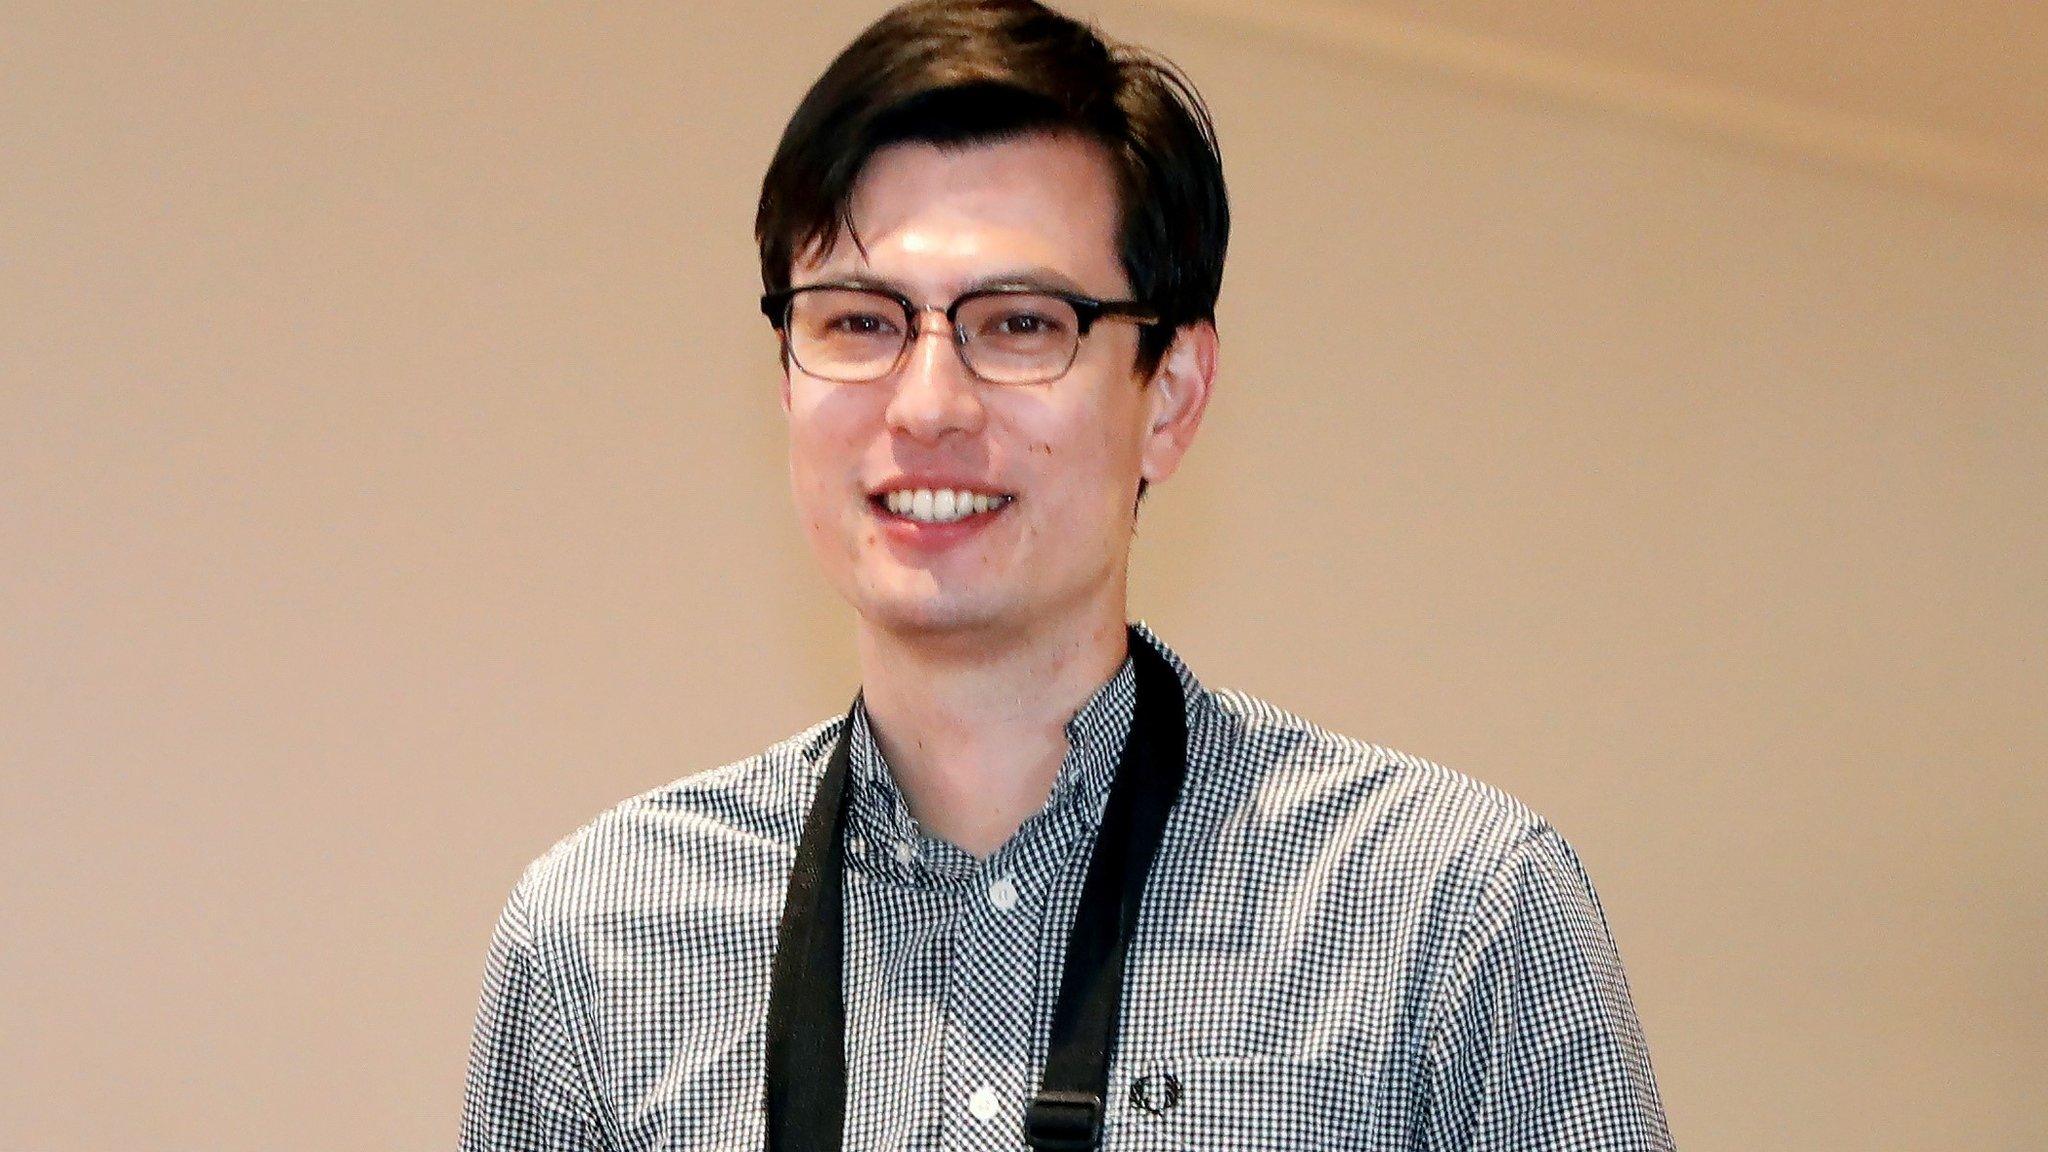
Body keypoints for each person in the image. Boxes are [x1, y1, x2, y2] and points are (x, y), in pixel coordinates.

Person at [460, 0, 1673, 1148]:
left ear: (1172, 397)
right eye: (857, 321)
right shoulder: (594, 950)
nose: (927, 403)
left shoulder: (1452, 920)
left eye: (1021, 323)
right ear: (785, 376)